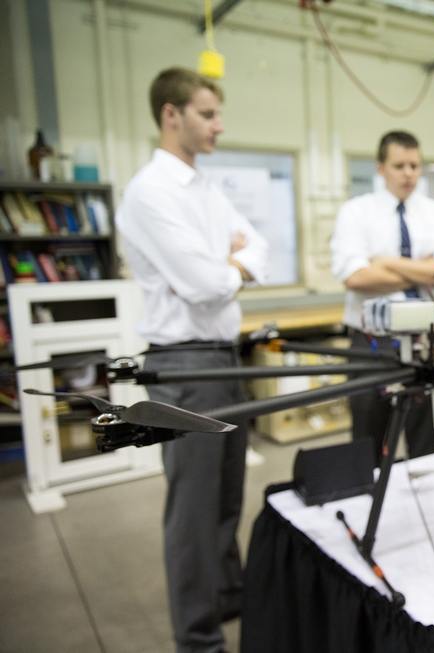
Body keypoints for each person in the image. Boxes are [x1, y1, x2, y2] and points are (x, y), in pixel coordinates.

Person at [116, 67, 268, 653]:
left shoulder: (206, 189)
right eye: (207, 114)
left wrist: (224, 265)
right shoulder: (150, 193)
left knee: (229, 494)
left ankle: (229, 596)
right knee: (193, 510)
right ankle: (198, 639)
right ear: (170, 114)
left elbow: (259, 250)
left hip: (227, 356)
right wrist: (226, 265)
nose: (219, 126)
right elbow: (203, 285)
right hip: (183, 365)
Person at [330, 130, 434, 460]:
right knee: (367, 436)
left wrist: (387, 262)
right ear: (381, 168)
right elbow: (355, 276)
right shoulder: (356, 212)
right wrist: (425, 270)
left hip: (425, 343)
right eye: (399, 165)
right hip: (372, 342)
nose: (408, 174)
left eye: (414, 166)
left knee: (423, 438)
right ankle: (368, 503)